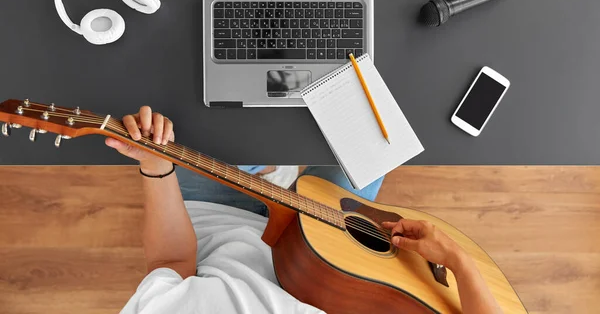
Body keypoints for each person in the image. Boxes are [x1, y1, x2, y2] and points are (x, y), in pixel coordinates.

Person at [109, 106, 502, 314]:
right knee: (379, 130)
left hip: (211, 218)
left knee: (204, 102)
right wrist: (456, 259)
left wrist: (156, 166)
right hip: (324, 256)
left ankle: (264, 171)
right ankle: (270, 173)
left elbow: (171, 258)